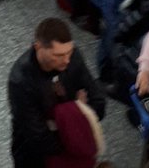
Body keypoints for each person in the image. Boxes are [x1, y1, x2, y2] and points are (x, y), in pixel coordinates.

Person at [7, 16, 105, 168]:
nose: (66, 60)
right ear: (38, 47)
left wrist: (72, 125)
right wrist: (78, 118)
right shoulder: (21, 80)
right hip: (34, 157)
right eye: (58, 55)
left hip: (68, 150)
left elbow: (98, 102)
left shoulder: (74, 57)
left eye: (69, 52)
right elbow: (38, 136)